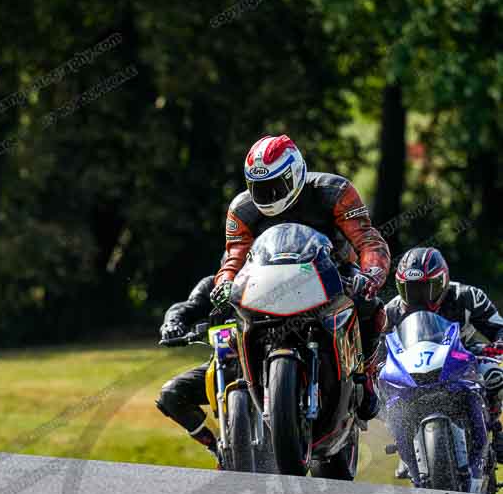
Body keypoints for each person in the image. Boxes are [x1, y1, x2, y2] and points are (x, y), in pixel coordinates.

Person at [209, 134, 390, 420]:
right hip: (266, 278)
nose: (266, 196)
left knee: (372, 307)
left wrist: (371, 274)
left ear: (294, 174)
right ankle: (250, 378)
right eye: (259, 188)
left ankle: (364, 373)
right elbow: (233, 257)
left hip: (333, 271)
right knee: (231, 321)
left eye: (274, 186)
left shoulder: (335, 191)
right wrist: (225, 283)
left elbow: (368, 240)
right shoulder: (241, 209)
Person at [385, 246, 503, 466]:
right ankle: (404, 443)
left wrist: (496, 346)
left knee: (495, 373)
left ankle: (495, 428)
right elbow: (376, 345)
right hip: (414, 369)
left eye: (425, 289)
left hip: (464, 360)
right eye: (410, 289)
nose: (417, 296)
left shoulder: (467, 296)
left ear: (443, 282)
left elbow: (498, 327)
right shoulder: (392, 310)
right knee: (384, 388)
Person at [156, 274, 221, 461]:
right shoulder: (216, 283)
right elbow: (185, 307)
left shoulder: (279, 275)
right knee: (171, 394)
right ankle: (218, 446)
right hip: (226, 363)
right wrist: (172, 323)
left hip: (273, 362)